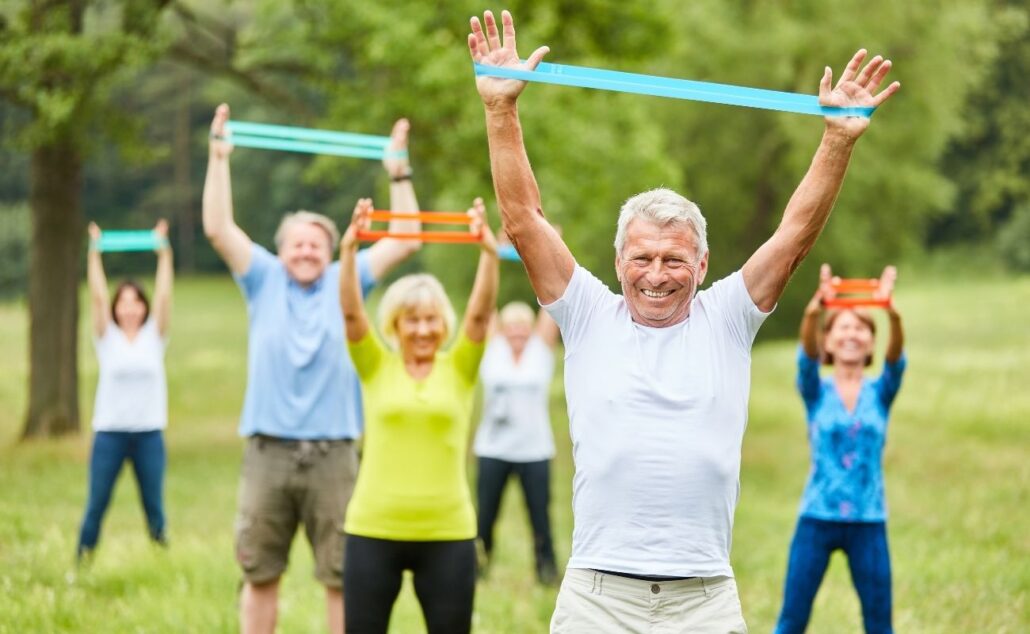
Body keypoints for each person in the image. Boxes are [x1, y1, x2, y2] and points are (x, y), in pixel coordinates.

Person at [466, 9, 900, 632]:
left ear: (702, 264)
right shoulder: (587, 312)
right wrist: (501, 110)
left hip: (704, 597)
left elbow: (795, 235)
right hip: (596, 593)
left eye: (674, 259)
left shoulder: (727, 316)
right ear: (618, 262)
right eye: (641, 257)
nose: (656, 273)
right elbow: (524, 221)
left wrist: (836, 141)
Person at [203, 104, 421, 634]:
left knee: (342, 577)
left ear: (331, 251)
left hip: (335, 455)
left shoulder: (349, 278)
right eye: (296, 243)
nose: (305, 251)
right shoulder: (263, 278)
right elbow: (216, 227)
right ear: (280, 251)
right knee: (259, 574)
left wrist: (398, 171)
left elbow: (408, 237)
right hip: (267, 452)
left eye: (315, 244)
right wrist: (218, 156)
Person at [339, 197, 498, 634]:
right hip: (373, 528)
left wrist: (488, 252)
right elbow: (352, 313)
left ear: (443, 324)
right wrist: (349, 251)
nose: (423, 330)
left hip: (448, 533)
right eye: (412, 320)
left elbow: (481, 316)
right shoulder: (374, 365)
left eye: (430, 320)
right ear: (395, 324)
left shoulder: (460, 368)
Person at [774, 264, 905, 634]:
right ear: (828, 342)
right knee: (791, 620)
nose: (852, 334)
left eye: (861, 328)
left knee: (879, 624)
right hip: (817, 516)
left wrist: (891, 315)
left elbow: (897, 360)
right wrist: (813, 312)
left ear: (870, 342)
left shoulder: (881, 392)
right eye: (843, 327)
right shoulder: (816, 391)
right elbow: (805, 360)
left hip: (868, 519)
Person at [77, 220, 173, 561]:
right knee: (97, 502)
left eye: (136, 302)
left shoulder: (154, 337)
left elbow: (164, 294)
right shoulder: (107, 338)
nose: (130, 308)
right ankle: (82, 560)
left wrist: (163, 252)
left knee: (154, 506)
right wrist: (95, 251)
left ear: (144, 306)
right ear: (116, 308)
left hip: (149, 435)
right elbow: (97, 296)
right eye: (124, 303)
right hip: (110, 434)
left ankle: (162, 561)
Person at [474, 301, 561, 584]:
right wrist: (492, 256)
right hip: (493, 449)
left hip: (534, 451)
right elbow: (485, 303)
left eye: (523, 326)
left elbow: (550, 301)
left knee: (540, 517)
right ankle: (477, 569)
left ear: (531, 329)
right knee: (485, 515)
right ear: (502, 329)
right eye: (511, 326)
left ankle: (546, 573)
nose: (517, 332)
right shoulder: (493, 348)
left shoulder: (540, 351)